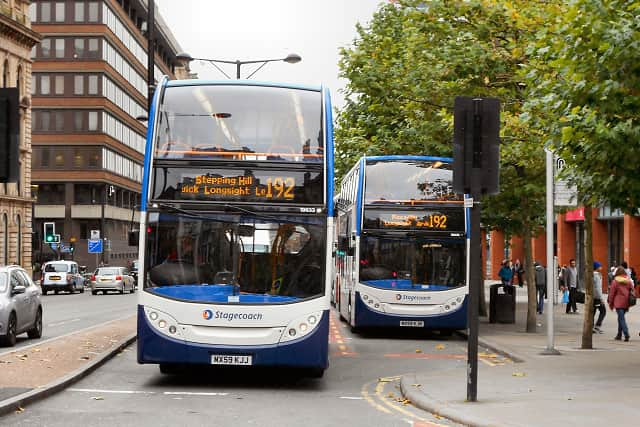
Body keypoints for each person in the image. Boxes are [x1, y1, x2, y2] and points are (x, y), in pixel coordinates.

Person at [607, 266, 633, 341]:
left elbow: (612, 294)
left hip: (618, 302)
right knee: (620, 318)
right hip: (626, 302)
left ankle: (626, 333)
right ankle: (619, 334)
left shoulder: (615, 281)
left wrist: (610, 303)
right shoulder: (628, 281)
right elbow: (632, 290)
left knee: (621, 318)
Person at [592, 262, 606, 333]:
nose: (601, 267)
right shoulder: (596, 276)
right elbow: (598, 288)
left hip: (594, 297)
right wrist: (601, 298)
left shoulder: (595, 275)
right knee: (603, 311)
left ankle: (592, 327)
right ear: (596, 267)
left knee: (593, 312)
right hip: (597, 298)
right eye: (600, 266)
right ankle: (597, 326)